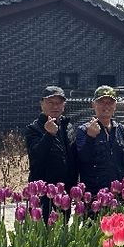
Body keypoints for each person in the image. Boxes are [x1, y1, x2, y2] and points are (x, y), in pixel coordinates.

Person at [25, 85, 78, 220]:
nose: (55, 106)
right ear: (42, 104)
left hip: (64, 190)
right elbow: (36, 157)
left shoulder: (68, 126)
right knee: (42, 229)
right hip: (43, 192)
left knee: (62, 227)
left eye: (59, 103)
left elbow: (73, 158)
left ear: (64, 105)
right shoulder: (33, 129)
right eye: (50, 102)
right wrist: (49, 135)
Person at [76, 85, 124, 196]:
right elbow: (81, 159)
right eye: (101, 102)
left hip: (118, 193)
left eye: (110, 102)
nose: (106, 106)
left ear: (115, 106)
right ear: (93, 105)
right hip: (95, 194)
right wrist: (90, 137)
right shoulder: (84, 130)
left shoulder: (121, 129)